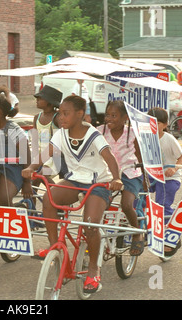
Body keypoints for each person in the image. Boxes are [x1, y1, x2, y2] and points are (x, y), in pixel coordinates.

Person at [22, 95, 123, 294]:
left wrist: (116, 179)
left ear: (80, 114)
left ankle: (93, 269)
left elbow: (110, 159)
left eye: (66, 113)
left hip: (98, 184)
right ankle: (56, 248)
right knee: (48, 199)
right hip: (74, 180)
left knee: (90, 223)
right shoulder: (60, 134)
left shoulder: (94, 135)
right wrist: (32, 167)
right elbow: (46, 154)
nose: (61, 117)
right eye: (60, 113)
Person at [97, 100, 145, 256]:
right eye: (107, 115)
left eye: (114, 115)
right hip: (107, 173)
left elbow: (140, 156)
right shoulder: (99, 131)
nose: (109, 119)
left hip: (129, 173)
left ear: (125, 117)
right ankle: (98, 236)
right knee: (98, 205)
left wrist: (145, 179)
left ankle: (137, 232)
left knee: (126, 204)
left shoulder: (132, 133)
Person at [0, 88, 33, 206]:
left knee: (4, 201)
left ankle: (16, 210)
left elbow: (26, 156)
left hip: (11, 169)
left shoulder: (13, 129)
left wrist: (27, 182)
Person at [147, 107, 182, 256]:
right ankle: (141, 227)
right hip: (152, 175)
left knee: (162, 203)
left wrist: (173, 169)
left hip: (170, 178)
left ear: (165, 124)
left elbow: (181, 157)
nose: (153, 125)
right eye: (150, 121)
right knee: (136, 197)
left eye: (158, 122)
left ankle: (173, 235)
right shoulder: (146, 137)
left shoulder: (169, 139)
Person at [31, 85, 62, 185]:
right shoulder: (37, 118)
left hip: (55, 157)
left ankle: (56, 195)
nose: (37, 100)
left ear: (49, 102)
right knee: (33, 181)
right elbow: (35, 141)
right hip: (40, 157)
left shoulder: (57, 119)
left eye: (40, 98)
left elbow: (60, 141)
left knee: (42, 175)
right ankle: (31, 200)